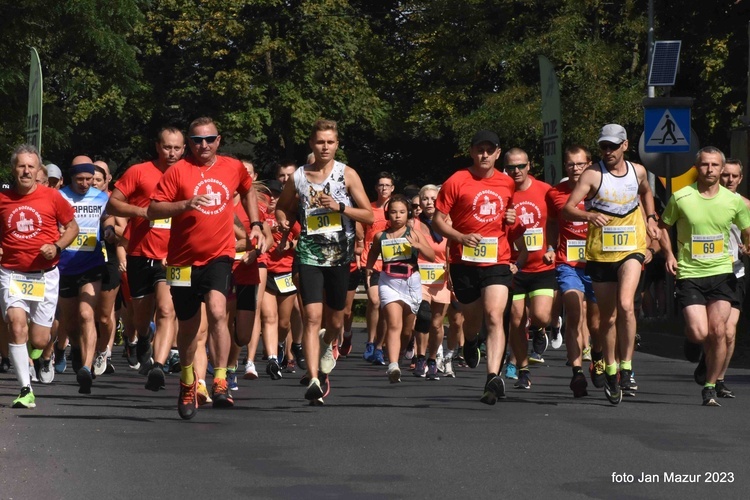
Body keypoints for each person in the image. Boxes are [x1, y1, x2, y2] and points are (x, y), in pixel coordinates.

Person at [148, 117, 266, 419]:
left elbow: (249, 189)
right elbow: (154, 209)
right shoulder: (178, 171)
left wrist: (255, 224)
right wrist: (186, 204)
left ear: (219, 140)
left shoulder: (232, 167)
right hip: (182, 261)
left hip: (219, 254)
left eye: (209, 139)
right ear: (189, 142)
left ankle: (221, 377)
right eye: (197, 140)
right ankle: (188, 381)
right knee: (187, 328)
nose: (204, 145)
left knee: (216, 310)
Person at [275, 119, 373, 405]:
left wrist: (340, 207)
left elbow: (369, 215)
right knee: (311, 316)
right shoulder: (299, 177)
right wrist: (282, 222)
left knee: (337, 318)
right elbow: (284, 207)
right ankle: (315, 378)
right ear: (312, 144)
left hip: (340, 256)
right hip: (309, 254)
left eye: (330, 142)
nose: (325, 146)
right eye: (320, 142)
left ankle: (328, 344)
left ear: (337, 144)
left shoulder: (347, 174)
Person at [563, 124, 660, 405]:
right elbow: (568, 207)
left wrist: (651, 218)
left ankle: (627, 366)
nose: (608, 152)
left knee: (626, 304)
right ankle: (611, 368)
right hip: (600, 253)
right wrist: (589, 217)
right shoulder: (593, 174)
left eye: (613, 146)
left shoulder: (638, 171)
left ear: (625, 145)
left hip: (631, 247)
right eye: (604, 146)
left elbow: (646, 192)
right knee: (607, 318)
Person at [658, 148, 750, 406]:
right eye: (705, 164)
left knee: (719, 330)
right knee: (700, 333)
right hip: (690, 273)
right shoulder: (681, 197)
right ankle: (694, 343)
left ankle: (710, 385)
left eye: (715, 165)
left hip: (723, 272)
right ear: (697, 167)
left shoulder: (734, 202)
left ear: (721, 169)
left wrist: (748, 243)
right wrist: (668, 255)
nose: (710, 169)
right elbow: (663, 227)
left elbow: (746, 229)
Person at [433, 130, 517, 405]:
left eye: (489, 150)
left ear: (497, 153)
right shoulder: (457, 180)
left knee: (494, 315)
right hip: (464, 260)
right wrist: (459, 237)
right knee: (472, 318)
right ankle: (470, 341)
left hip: (498, 259)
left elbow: (511, 217)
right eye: (479, 150)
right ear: (472, 152)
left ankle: (493, 377)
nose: (484, 155)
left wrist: (511, 217)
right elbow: (438, 220)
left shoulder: (507, 183)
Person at [107, 126, 184, 391]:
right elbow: (113, 204)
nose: (172, 153)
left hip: (173, 256)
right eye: (167, 147)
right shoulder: (138, 172)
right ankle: (143, 337)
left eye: (177, 148)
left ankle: (159, 366)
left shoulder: (189, 174)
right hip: (140, 253)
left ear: (184, 149)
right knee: (141, 318)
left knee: (166, 309)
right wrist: (143, 212)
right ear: (157, 147)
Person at [0, 144, 78, 407]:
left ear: (38, 170)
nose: (25, 170)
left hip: (44, 276)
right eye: (21, 165)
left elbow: (72, 227)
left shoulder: (52, 197)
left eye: (30, 166)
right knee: (16, 323)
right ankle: (25, 389)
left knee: (39, 339)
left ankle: (41, 353)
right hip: (11, 273)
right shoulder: (3, 198)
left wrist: (57, 246)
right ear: (13, 169)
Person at [546, 146, 601, 397]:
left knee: (597, 323)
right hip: (567, 262)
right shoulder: (555, 193)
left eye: (580, 164)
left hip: (598, 262)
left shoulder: (600, 190)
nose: (576, 169)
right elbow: (552, 222)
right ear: (565, 166)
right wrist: (550, 245)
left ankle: (598, 356)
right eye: (571, 165)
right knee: (574, 314)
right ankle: (577, 372)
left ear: (589, 164)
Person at [57, 161, 115, 394]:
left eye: (88, 180)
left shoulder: (101, 198)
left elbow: (108, 218)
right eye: (79, 179)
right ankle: (79, 351)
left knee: (86, 313)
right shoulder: (59, 196)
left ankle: (87, 368)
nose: (84, 184)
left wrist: (109, 229)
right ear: (71, 179)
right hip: (64, 267)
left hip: (91, 265)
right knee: (70, 323)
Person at [366, 195, 435, 382]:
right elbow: (372, 255)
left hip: (410, 282)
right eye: (394, 212)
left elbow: (431, 255)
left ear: (408, 214)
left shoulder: (413, 233)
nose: (397, 216)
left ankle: (402, 350)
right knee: (394, 324)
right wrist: (369, 270)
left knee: (406, 329)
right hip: (389, 281)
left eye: (402, 212)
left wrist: (419, 245)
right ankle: (393, 365)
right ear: (388, 214)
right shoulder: (381, 235)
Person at [504, 148, 555, 391]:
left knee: (541, 316)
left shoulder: (545, 190)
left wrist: (553, 246)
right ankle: (523, 370)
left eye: (521, 166)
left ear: (529, 165)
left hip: (542, 264)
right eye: (511, 167)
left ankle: (540, 330)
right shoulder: (502, 192)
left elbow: (557, 221)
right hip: (514, 266)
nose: (516, 171)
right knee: (515, 319)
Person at [713, 158, 750, 398]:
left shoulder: (745, 204)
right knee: (709, 330)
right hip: (706, 269)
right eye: (725, 175)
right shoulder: (706, 201)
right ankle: (704, 355)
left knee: (728, 331)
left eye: (734, 176)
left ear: (741, 178)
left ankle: (719, 379)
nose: (729, 180)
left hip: (735, 270)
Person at [413, 184, 451, 380]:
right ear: (420, 201)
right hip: (420, 277)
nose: (429, 202)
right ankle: (420, 357)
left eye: (433, 199)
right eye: (425, 198)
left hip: (442, 278)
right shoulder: (413, 224)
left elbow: (454, 250)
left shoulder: (448, 222)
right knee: (424, 316)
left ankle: (433, 359)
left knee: (436, 323)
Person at [360, 172, 396, 365]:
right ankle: (370, 342)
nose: (383, 188)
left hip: (392, 263)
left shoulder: (397, 210)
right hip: (372, 262)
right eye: (380, 185)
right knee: (374, 301)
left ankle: (380, 347)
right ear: (376, 188)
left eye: (387, 185)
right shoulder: (369, 209)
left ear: (392, 188)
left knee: (385, 306)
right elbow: (361, 232)